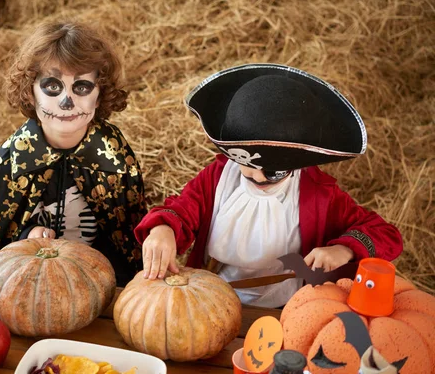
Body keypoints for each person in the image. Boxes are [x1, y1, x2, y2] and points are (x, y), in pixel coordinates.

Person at [134, 64, 403, 308]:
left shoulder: (319, 195)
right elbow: (181, 210)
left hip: (286, 308)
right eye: (248, 174)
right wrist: (163, 229)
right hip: (211, 300)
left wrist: (342, 249)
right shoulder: (217, 178)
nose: (259, 181)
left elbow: (385, 234)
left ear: (296, 164)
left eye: (273, 174)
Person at [0, 21, 147, 286]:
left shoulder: (114, 155)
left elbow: (127, 236)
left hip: (100, 279)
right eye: (52, 86)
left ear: (100, 93)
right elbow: (0, 246)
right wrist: (29, 234)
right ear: (30, 90)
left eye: (81, 87)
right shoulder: (9, 163)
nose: (66, 102)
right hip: (32, 282)